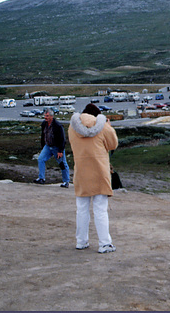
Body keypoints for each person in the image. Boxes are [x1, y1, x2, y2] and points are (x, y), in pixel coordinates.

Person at [68, 103, 119, 253]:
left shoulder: (72, 127)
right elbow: (113, 144)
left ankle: (81, 241)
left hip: (81, 173)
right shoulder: (102, 126)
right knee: (100, 210)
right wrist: (109, 127)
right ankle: (104, 244)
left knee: (82, 210)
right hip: (99, 172)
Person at [35, 108, 71, 188]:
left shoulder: (58, 126)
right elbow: (43, 135)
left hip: (57, 147)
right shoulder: (44, 124)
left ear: (51, 116)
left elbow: (62, 139)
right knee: (40, 159)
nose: (45, 117)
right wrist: (43, 146)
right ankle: (41, 178)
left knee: (62, 164)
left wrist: (60, 150)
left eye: (47, 116)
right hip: (48, 146)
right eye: (45, 115)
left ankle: (66, 181)